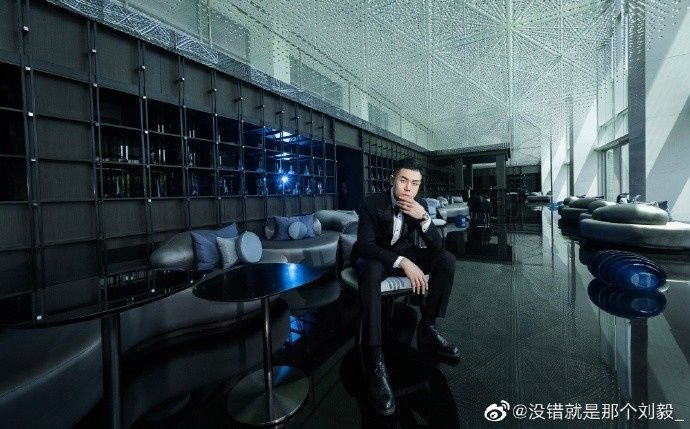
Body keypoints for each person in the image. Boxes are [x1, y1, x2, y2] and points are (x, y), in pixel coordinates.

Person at [352, 158, 459, 416]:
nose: (408, 188)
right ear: (392, 180)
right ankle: (374, 356)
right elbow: (365, 246)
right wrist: (404, 262)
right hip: (373, 257)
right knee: (372, 270)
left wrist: (424, 219)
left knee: (446, 260)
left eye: (415, 183)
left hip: (402, 253)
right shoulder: (370, 203)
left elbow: (436, 247)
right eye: (403, 181)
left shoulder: (419, 205)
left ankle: (428, 327)